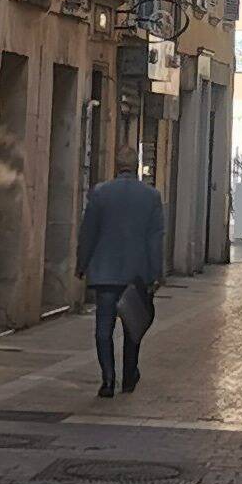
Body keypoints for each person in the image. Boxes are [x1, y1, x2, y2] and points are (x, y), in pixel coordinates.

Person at [75, 156, 168, 399]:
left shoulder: (100, 193)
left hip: (105, 272)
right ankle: (129, 376)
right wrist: (157, 272)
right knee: (132, 325)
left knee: (103, 328)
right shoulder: (151, 196)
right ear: (135, 167)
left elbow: (88, 232)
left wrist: (81, 264)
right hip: (136, 275)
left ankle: (107, 379)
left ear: (115, 166)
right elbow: (154, 239)